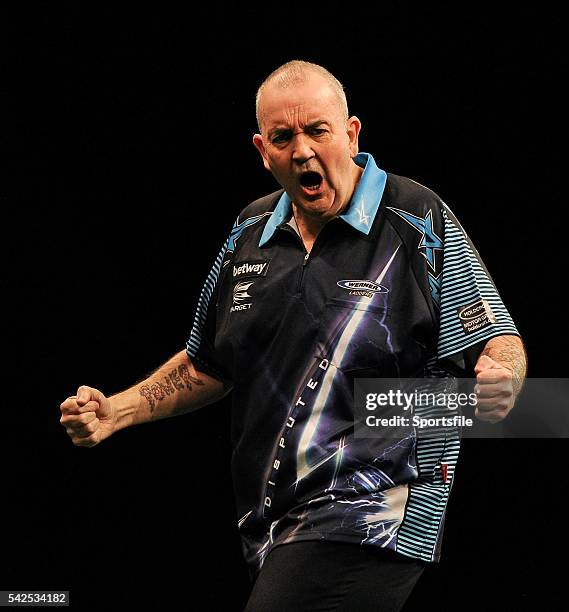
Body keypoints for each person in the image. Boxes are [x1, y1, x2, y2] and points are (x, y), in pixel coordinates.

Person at [60, 60, 527, 611]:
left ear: (351, 133)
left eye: (317, 131)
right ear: (263, 150)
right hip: (272, 521)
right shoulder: (249, 232)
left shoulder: (416, 218)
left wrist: (502, 378)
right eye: (283, 137)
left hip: (375, 511)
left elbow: (499, 340)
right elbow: (207, 363)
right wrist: (118, 410)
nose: (301, 149)